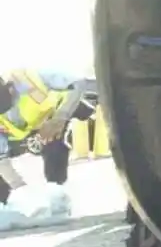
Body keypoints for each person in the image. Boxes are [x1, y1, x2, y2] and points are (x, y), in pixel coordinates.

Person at [0, 70, 92, 201]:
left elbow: (79, 82)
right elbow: (1, 160)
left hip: (52, 121)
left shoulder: (27, 79)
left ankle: (57, 193)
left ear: (10, 88)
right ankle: (7, 205)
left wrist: (60, 117)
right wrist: (21, 189)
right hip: (18, 138)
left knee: (54, 147)